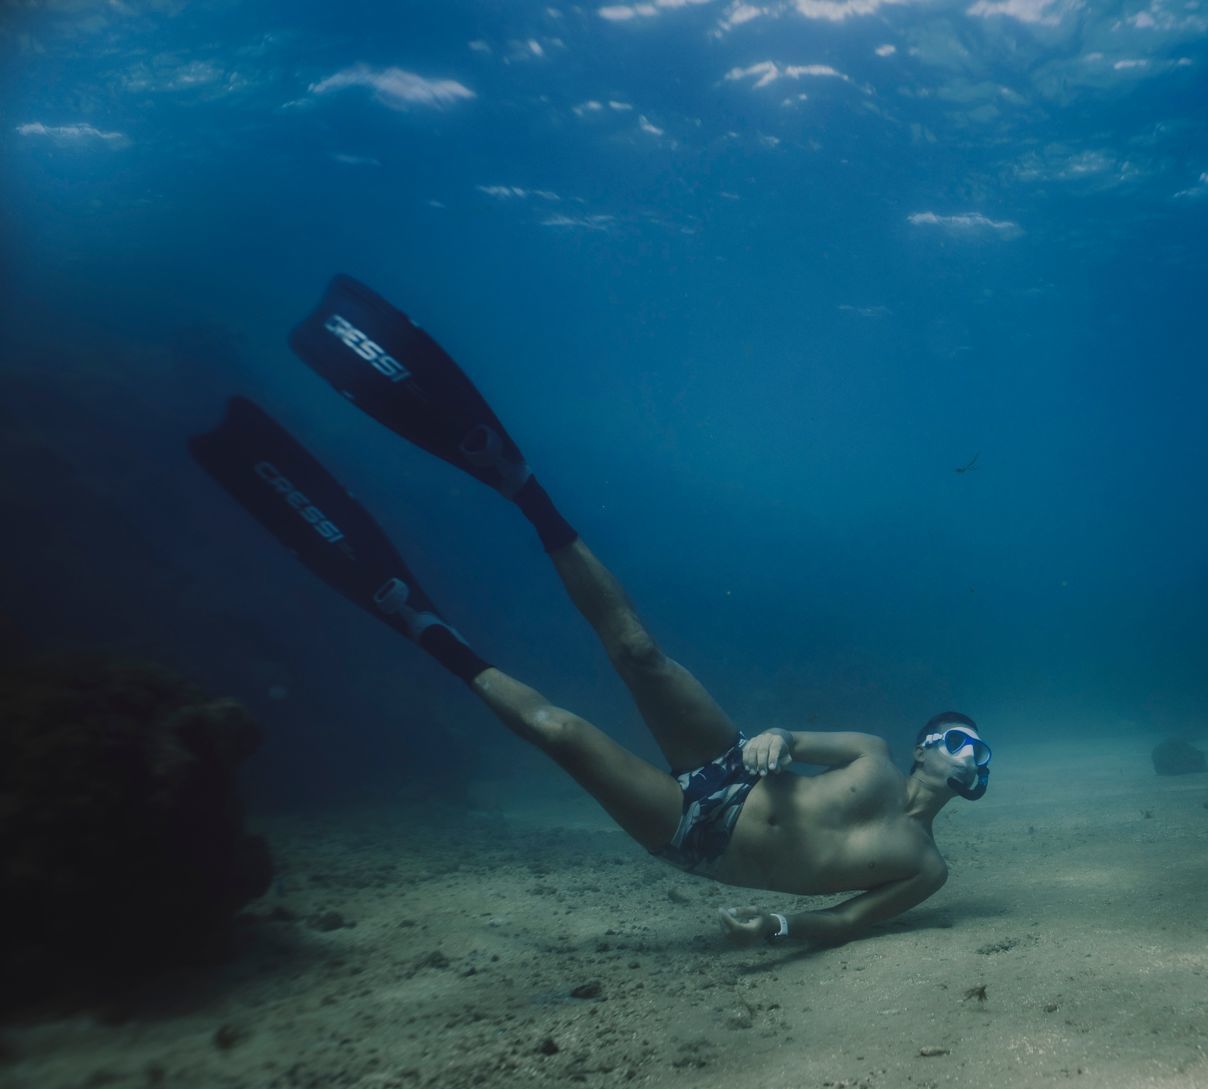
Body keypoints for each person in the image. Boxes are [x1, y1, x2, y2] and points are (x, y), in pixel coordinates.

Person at [191, 276, 987, 946]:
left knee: (560, 733)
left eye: (977, 754)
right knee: (639, 653)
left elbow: (849, 921)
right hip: (727, 762)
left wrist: (778, 926)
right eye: (958, 738)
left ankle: (421, 625)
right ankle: (523, 489)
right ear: (925, 747)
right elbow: (789, 737)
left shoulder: (928, 869)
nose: (969, 754)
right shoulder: (873, 755)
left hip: (695, 836)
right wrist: (775, 741)